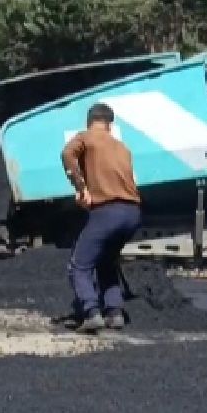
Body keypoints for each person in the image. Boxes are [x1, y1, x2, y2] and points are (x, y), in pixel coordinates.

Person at [61, 103, 143, 334]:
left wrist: (80, 187)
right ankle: (115, 312)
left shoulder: (86, 138)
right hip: (133, 213)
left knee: (79, 265)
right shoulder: (122, 147)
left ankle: (91, 311)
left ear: (90, 122)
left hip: (108, 211)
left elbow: (67, 154)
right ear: (110, 125)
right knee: (106, 262)